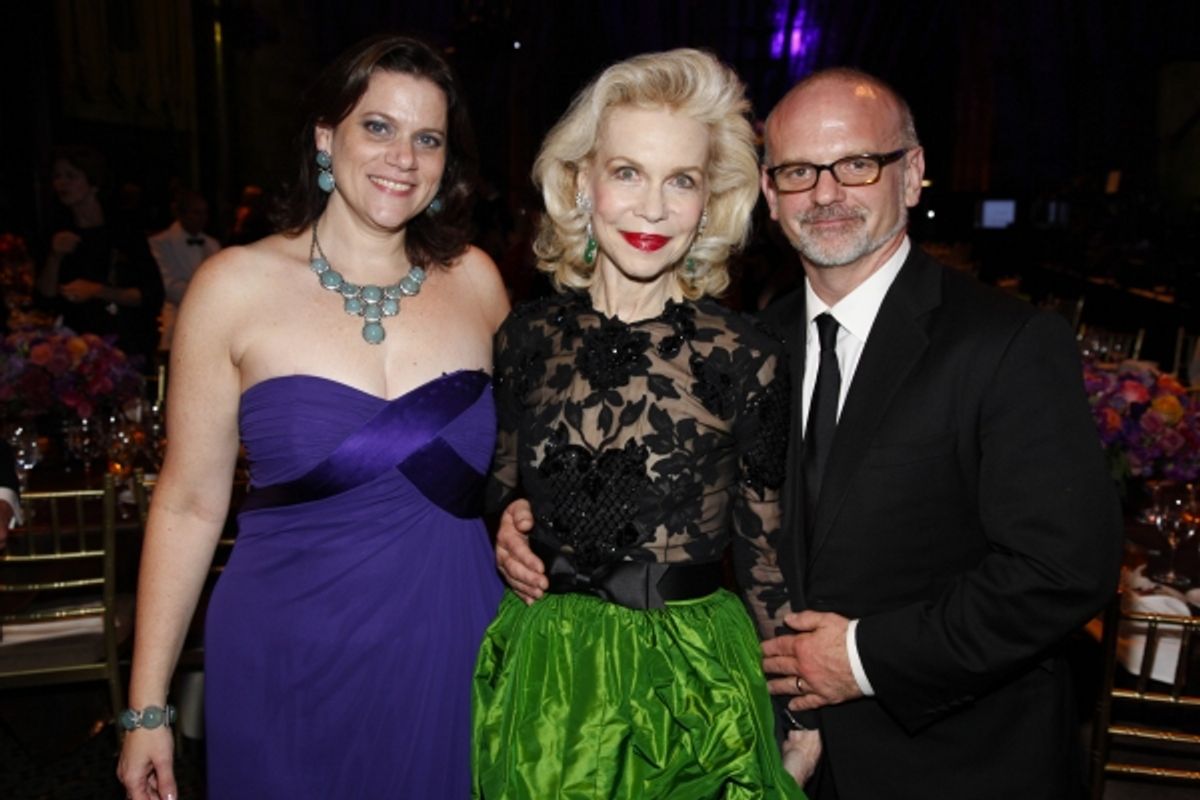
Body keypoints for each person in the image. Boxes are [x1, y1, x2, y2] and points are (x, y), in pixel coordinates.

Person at [495, 66, 1124, 800]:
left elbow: (1067, 566)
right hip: (761, 737)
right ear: (768, 191)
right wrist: (519, 518)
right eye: (798, 171)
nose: (826, 193)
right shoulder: (750, 342)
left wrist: (858, 658)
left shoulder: (1006, 342)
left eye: (857, 163)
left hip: (950, 763)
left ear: (913, 174)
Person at [117, 34, 507, 799]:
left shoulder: (478, 284)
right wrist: (146, 708)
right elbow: (190, 503)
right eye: (378, 126)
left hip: (452, 643)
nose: (404, 155)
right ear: (328, 137)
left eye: (427, 138)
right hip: (286, 648)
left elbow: (524, 467)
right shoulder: (234, 286)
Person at [473, 49, 809, 799]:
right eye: (627, 172)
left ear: (709, 199)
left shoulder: (745, 356)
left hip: (687, 682)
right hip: (547, 677)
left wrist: (796, 711)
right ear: (581, 183)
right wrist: (508, 522)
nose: (654, 208)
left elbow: (764, 553)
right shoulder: (526, 337)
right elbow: (502, 482)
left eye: (680, 180)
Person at [35, 146, 164, 364]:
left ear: (93, 182)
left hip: (123, 345)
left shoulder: (123, 231)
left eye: (71, 176)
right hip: (74, 349)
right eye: (57, 177)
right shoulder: (57, 231)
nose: (61, 183)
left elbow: (151, 295)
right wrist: (54, 257)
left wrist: (97, 291)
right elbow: (44, 298)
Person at [148, 189, 221, 350]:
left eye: (205, 213)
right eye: (196, 213)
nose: (202, 218)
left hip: (210, 320)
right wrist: (208, 296)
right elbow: (168, 286)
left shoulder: (212, 244)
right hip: (175, 318)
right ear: (181, 214)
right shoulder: (160, 243)